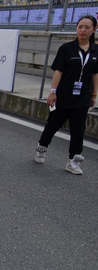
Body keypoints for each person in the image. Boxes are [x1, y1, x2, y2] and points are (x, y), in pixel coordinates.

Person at [36, 15, 98, 174]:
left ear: (94, 29)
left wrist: (94, 94)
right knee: (53, 125)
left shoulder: (96, 50)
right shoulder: (66, 48)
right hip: (63, 95)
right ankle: (42, 148)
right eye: (80, 27)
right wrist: (53, 92)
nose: (82, 30)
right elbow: (59, 71)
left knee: (78, 129)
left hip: (83, 96)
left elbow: (95, 73)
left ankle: (73, 161)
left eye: (87, 27)